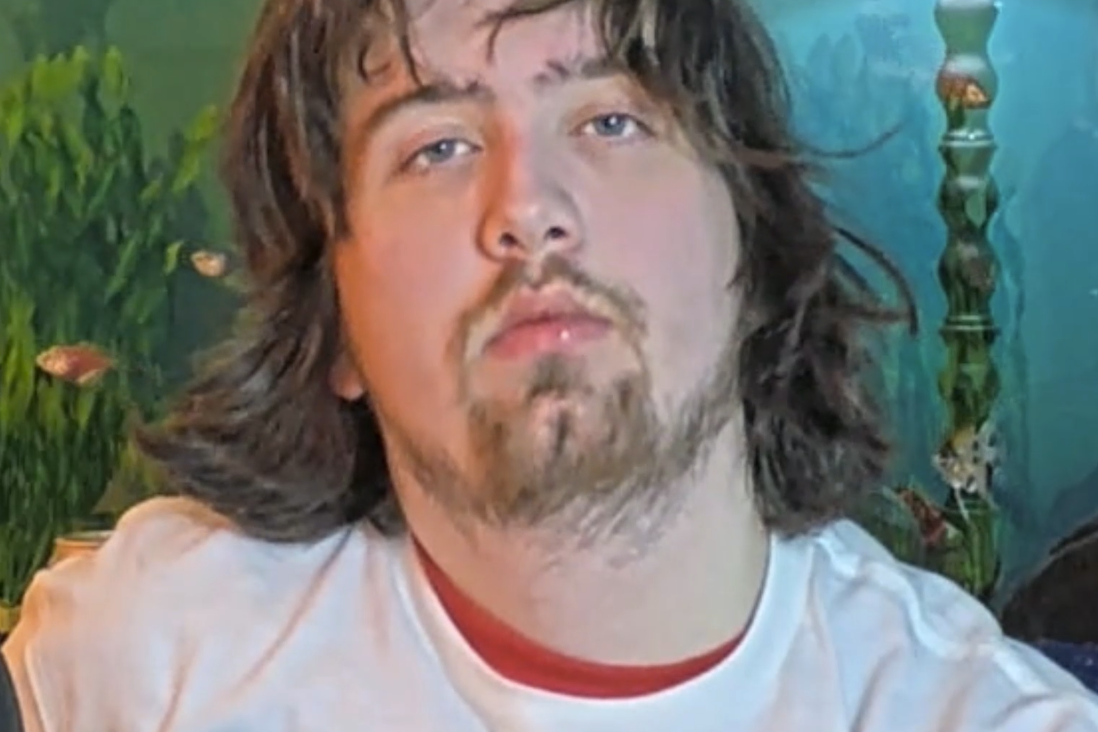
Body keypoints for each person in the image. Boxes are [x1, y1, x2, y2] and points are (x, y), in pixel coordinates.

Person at [4, 0, 1097, 730]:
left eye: (613, 120)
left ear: (757, 256)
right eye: (436, 145)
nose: (529, 206)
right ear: (331, 326)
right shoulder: (131, 657)